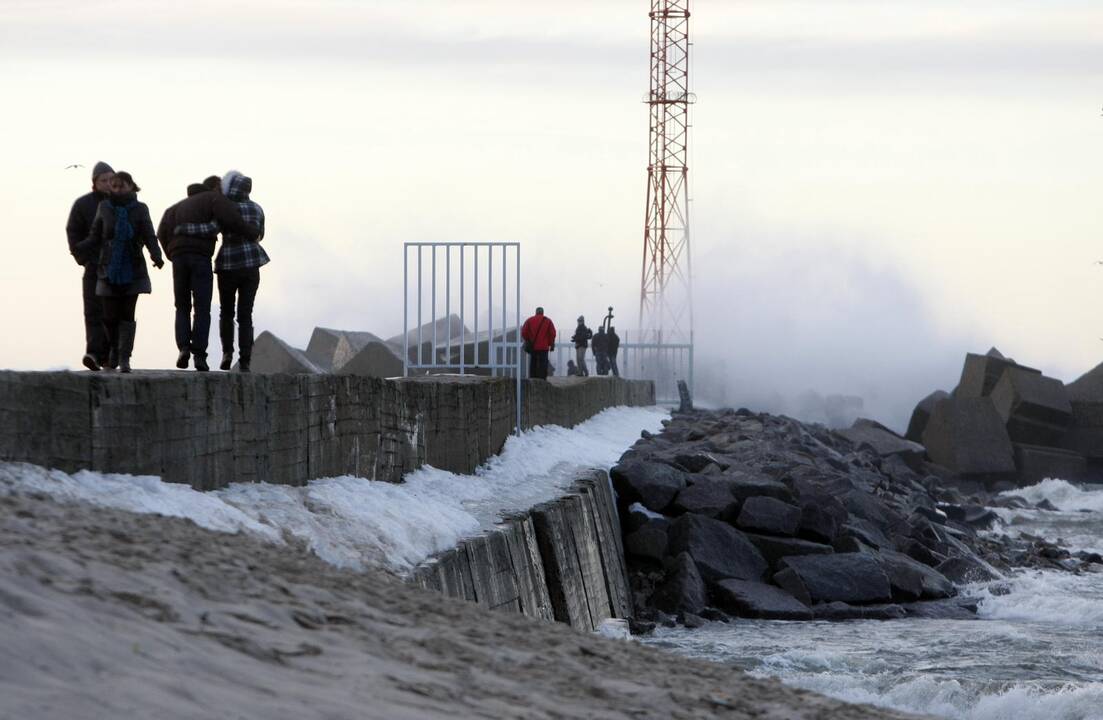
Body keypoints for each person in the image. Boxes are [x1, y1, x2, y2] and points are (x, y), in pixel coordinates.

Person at [158, 175, 260, 372]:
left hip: (182, 259)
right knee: (203, 307)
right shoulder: (216, 199)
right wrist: (252, 233)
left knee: (182, 306)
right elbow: (230, 221)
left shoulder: (174, 208)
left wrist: (172, 252)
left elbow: (161, 232)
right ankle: (200, 356)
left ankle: (183, 349)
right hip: (204, 258)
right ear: (215, 187)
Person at [74, 171, 163, 373]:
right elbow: (96, 234)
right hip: (108, 268)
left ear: (131, 186)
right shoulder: (104, 207)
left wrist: (156, 255)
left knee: (127, 315)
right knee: (109, 316)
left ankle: (124, 357)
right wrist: (81, 247)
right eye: (114, 186)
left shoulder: (140, 209)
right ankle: (113, 348)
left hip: (133, 268)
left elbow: (149, 234)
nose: (117, 189)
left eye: (121, 185)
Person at [67, 161, 115, 370]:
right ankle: (94, 354)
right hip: (94, 266)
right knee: (93, 312)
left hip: (118, 268)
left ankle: (113, 354)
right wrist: (84, 257)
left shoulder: (124, 204)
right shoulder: (83, 204)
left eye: (111, 180)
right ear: (95, 182)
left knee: (115, 313)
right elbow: (73, 232)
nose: (107, 184)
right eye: (103, 180)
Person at [521, 306, 556, 380]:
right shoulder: (548, 321)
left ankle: (533, 378)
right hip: (544, 347)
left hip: (533, 346)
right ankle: (542, 379)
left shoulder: (529, 320)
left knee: (533, 362)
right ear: (543, 313)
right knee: (543, 363)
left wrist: (528, 340)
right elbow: (552, 333)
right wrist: (550, 344)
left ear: (536, 312)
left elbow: (524, 332)